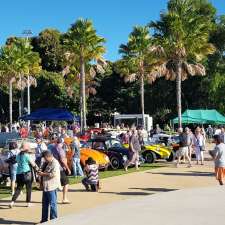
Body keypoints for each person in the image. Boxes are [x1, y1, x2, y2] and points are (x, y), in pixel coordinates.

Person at [9, 142, 38, 208]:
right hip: (26, 173)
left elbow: (16, 161)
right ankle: (28, 203)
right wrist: (38, 170)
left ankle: (12, 202)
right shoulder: (27, 155)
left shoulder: (18, 155)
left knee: (18, 189)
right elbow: (33, 164)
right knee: (28, 188)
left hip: (19, 173)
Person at [38, 151, 61, 223]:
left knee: (52, 204)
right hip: (46, 186)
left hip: (51, 186)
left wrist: (43, 174)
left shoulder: (55, 163)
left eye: (45, 158)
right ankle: (44, 220)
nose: (44, 160)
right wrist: (40, 172)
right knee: (44, 204)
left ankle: (53, 220)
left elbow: (53, 174)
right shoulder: (46, 162)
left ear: (49, 156)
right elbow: (42, 170)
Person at [51, 138, 71, 204]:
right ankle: (64, 198)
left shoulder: (53, 148)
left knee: (55, 184)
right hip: (60, 168)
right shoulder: (61, 150)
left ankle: (53, 199)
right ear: (62, 143)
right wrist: (67, 168)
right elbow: (63, 160)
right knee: (66, 183)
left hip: (54, 167)